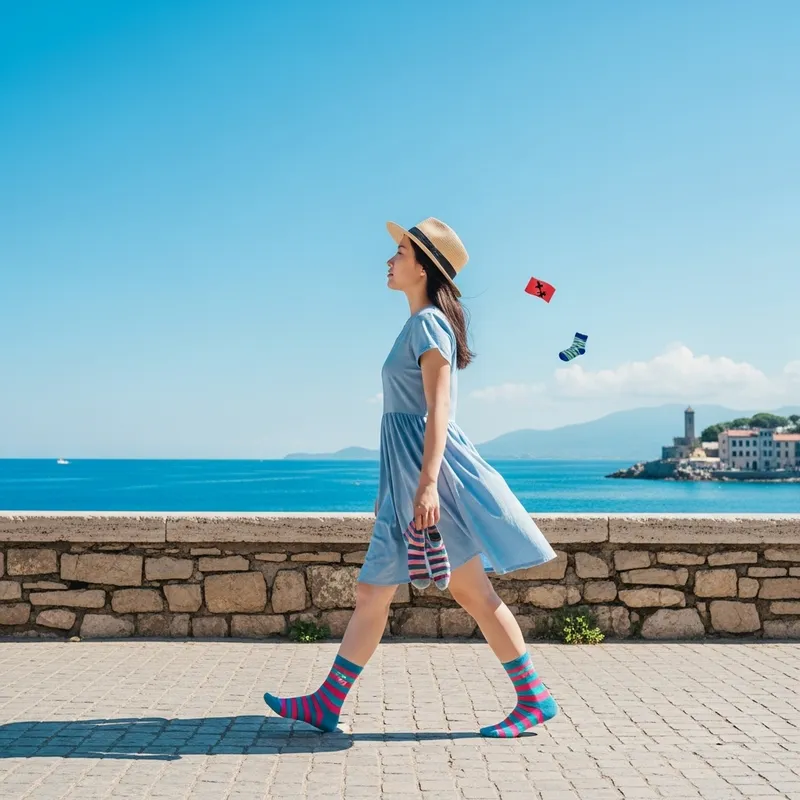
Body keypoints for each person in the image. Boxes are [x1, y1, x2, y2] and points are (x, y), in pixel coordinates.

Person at [264, 218, 559, 738]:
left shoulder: (428, 325)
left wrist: (425, 486)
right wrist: (392, 491)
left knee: (472, 594)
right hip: (405, 483)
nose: (389, 259)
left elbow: (438, 409)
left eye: (400, 251)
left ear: (423, 267)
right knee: (373, 592)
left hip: (426, 483)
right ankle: (326, 703)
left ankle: (534, 697)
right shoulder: (418, 324)